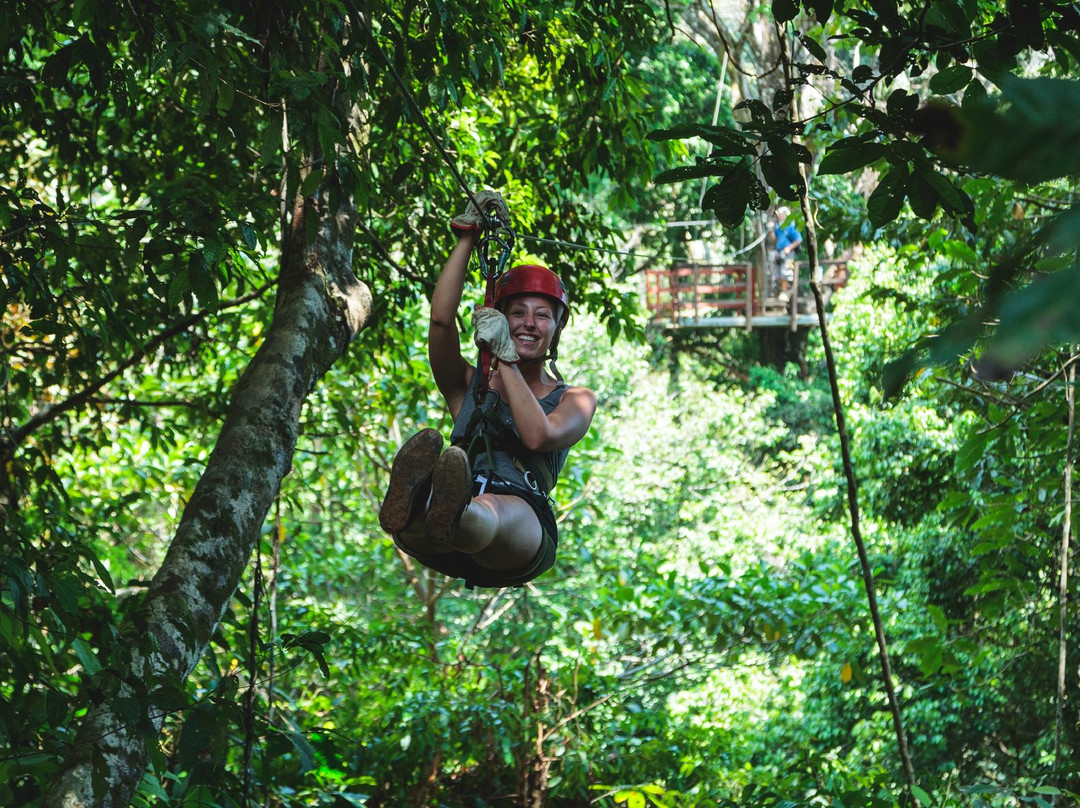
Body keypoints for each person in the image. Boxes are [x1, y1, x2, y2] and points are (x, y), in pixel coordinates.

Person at [378, 191, 597, 588]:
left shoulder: (575, 399)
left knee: (488, 511)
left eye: (542, 315)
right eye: (517, 312)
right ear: (500, 317)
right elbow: (442, 323)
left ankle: (447, 512)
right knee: (433, 511)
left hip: (519, 528)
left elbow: (538, 435)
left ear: (556, 329)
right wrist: (466, 237)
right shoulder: (469, 386)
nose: (529, 323)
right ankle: (414, 508)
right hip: (438, 542)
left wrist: (504, 358)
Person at [771, 205, 803, 302]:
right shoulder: (779, 227)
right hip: (779, 252)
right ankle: (782, 291)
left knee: (785, 272)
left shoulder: (790, 226)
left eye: (780, 214)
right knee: (777, 273)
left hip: (788, 253)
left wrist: (789, 248)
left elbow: (799, 240)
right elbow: (774, 239)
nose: (779, 216)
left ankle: (786, 292)